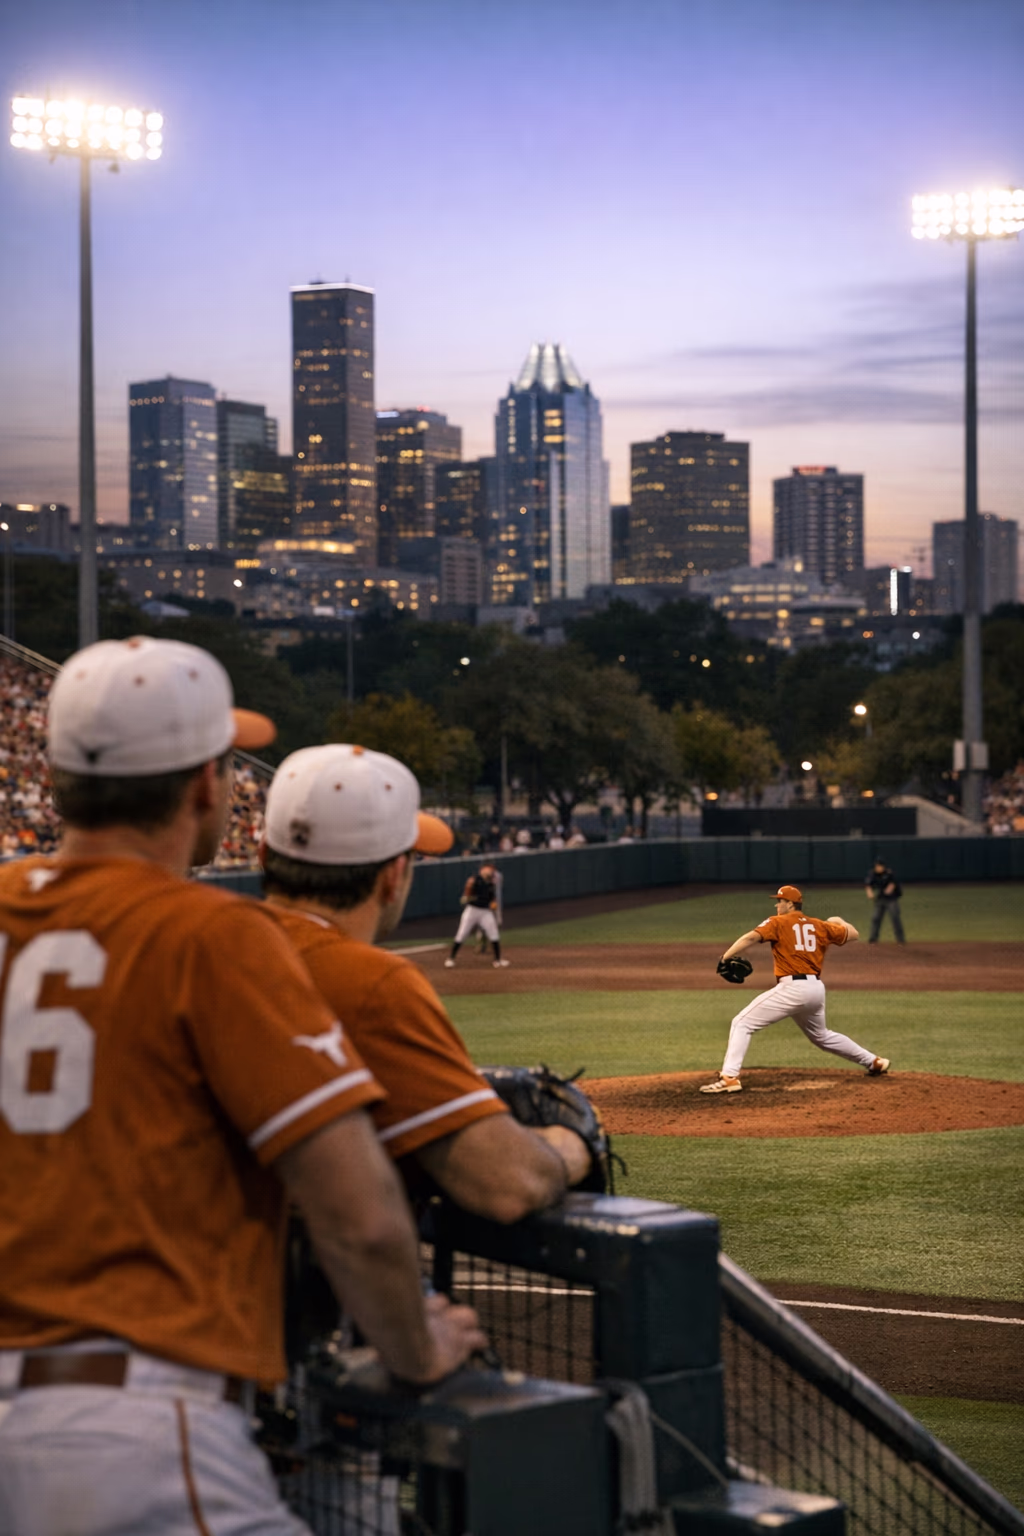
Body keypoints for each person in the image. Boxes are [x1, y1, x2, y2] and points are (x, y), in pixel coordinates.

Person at [0, 638, 485, 1536]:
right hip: (128, 1428)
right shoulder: (212, 935)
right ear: (203, 790)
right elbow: (361, 1216)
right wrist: (417, 1349)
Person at [260, 745, 591, 1219]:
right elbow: (507, 1185)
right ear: (394, 877)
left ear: (263, 853)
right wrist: (573, 1145)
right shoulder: (372, 983)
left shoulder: (199, 942)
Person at [700, 884, 890, 1094]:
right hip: (815, 990)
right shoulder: (819, 926)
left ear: (790, 904)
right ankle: (874, 1062)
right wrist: (837, 921)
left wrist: (724, 957)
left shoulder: (778, 922)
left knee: (742, 1023)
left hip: (793, 988)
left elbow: (750, 937)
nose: (777, 904)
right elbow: (853, 934)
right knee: (821, 1035)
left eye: (780, 901)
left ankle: (729, 1077)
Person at [446, 860, 508, 967]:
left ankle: (497, 960)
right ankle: (451, 958)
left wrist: (492, 903)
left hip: (485, 911)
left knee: (494, 933)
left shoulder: (491, 883)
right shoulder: (474, 880)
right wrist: (468, 898)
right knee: (462, 934)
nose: (491, 872)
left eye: (492, 870)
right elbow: (465, 897)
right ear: (482, 870)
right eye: (489, 869)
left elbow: (491, 898)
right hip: (472, 910)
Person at [864, 859, 906, 944]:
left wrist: (888, 890)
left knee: (895, 917)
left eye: (879, 866)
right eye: (876, 866)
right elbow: (868, 884)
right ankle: (873, 939)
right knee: (876, 918)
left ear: (883, 867)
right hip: (880, 899)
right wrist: (870, 893)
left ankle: (900, 939)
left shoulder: (889, 873)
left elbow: (893, 884)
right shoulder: (873, 874)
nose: (877, 868)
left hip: (891, 899)